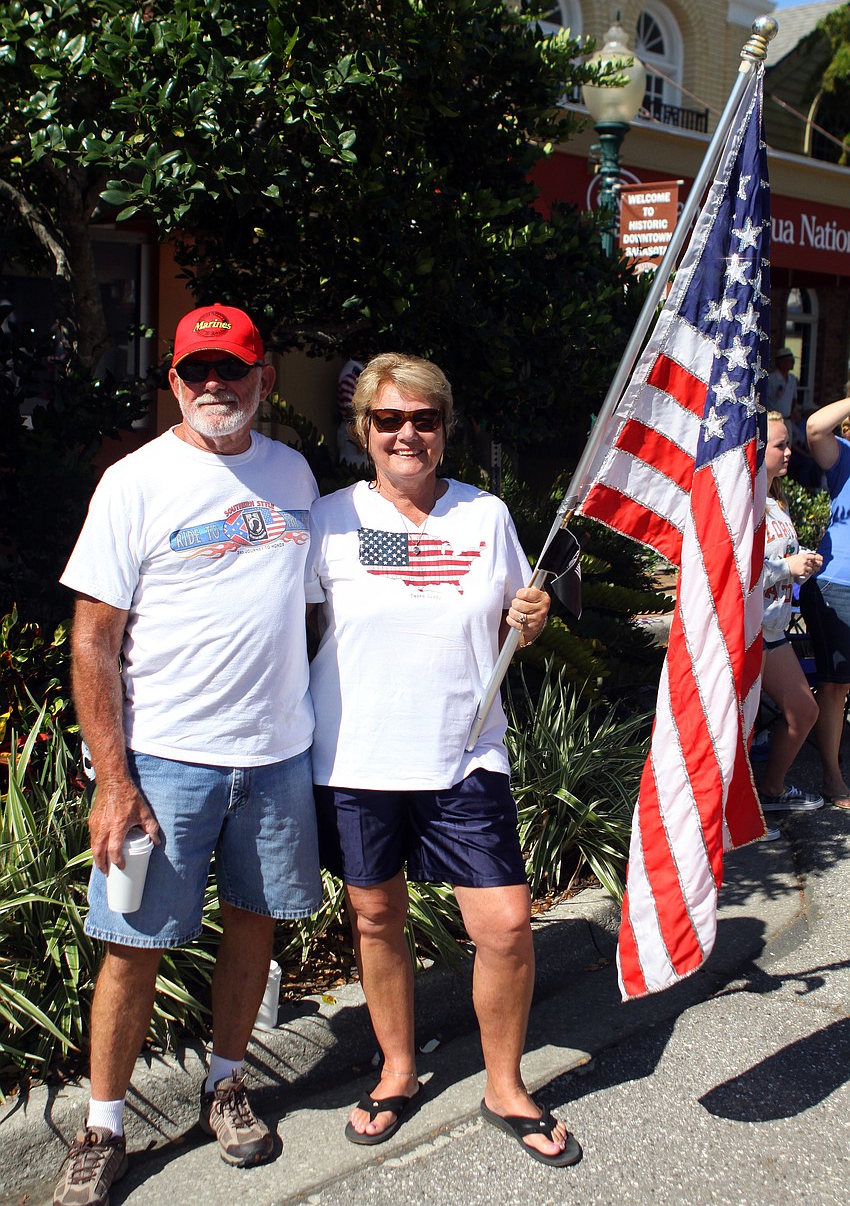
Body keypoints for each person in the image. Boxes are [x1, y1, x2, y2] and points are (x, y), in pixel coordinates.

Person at [53, 304, 323, 1206]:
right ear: (173, 379)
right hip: (165, 760)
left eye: (234, 369)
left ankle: (227, 1080)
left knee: (254, 918)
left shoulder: (293, 473)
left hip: (278, 756)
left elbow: (325, 600)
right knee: (134, 945)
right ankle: (104, 1124)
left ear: (263, 379)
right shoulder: (135, 481)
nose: (217, 385)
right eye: (198, 370)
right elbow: (92, 640)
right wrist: (113, 778)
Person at [306, 353, 581, 1168]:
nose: (406, 434)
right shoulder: (329, 517)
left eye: (423, 419)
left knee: (503, 925)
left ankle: (505, 1084)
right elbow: (290, 629)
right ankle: (396, 1070)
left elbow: (511, 621)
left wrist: (528, 619)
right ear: (364, 431)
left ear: (445, 429)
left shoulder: (486, 515)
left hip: (464, 755)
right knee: (377, 916)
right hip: (356, 756)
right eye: (389, 420)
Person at [756, 413, 824, 813]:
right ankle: (743, 812)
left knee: (803, 710)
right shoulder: (742, 504)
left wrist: (800, 562)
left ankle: (770, 793)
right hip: (747, 633)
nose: (788, 453)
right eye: (780, 445)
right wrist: (788, 568)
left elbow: (775, 561)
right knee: (742, 729)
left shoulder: (776, 503)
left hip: (774, 630)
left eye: (788, 444)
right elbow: (732, 572)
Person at [799, 394, 850, 810]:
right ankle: (832, 778)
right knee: (837, 685)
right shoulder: (844, 455)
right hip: (839, 585)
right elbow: (815, 427)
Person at [765, 347, 798, 418]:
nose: (793, 363)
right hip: (773, 418)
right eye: (790, 361)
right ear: (781, 362)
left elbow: (794, 398)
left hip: (788, 418)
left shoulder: (792, 378)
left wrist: (792, 413)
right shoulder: (771, 378)